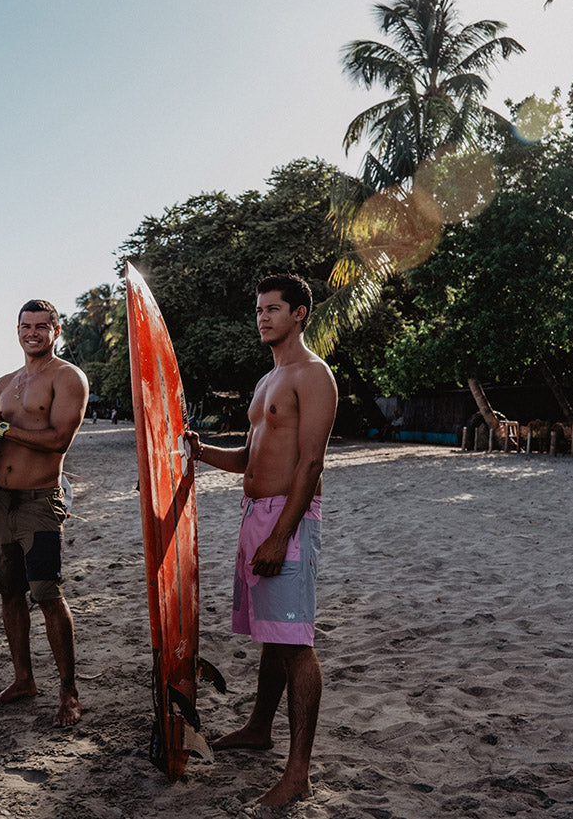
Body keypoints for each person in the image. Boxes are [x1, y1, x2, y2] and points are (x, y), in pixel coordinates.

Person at [186, 273, 337, 806]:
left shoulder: (313, 375)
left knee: (297, 643)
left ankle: (299, 774)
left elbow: (312, 462)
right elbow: (249, 459)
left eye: (273, 309)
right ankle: (258, 727)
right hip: (255, 515)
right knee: (274, 633)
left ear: (299, 314)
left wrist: (281, 535)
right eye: (258, 310)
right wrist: (201, 452)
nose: (263, 317)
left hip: (286, 520)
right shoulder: (265, 381)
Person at [0, 299, 89, 727]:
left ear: (56, 330)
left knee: (47, 595)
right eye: (26, 326)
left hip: (39, 502)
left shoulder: (68, 378)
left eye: (42, 326)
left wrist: (0, 426)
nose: (32, 332)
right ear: (17, 330)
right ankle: (23, 679)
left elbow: (58, 440)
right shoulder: (4, 382)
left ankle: (68, 692)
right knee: (9, 593)